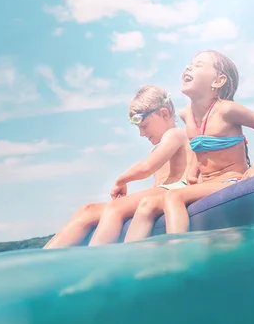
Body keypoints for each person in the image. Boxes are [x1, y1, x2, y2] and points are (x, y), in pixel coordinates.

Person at [124, 50, 254, 242]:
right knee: (146, 205)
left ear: (218, 81)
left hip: (230, 180)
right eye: (190, 63)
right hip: (205, 183)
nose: (188, 67)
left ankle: (178, 253)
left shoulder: (227, 110)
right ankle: (129, 258)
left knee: (173, 197)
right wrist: (191, 174)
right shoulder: (186, 114)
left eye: (198, 65)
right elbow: (199, 149)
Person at [43, 85, 192, 249]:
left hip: (174, 190)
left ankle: (95, 260)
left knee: (115, 207)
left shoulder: (176, 134)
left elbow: (146, 167)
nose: (142, 134)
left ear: (164, 113)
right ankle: (44, 256)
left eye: (144, 126)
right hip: (160, 192)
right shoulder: (158, 146)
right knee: (87, 210)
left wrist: (121, 181)